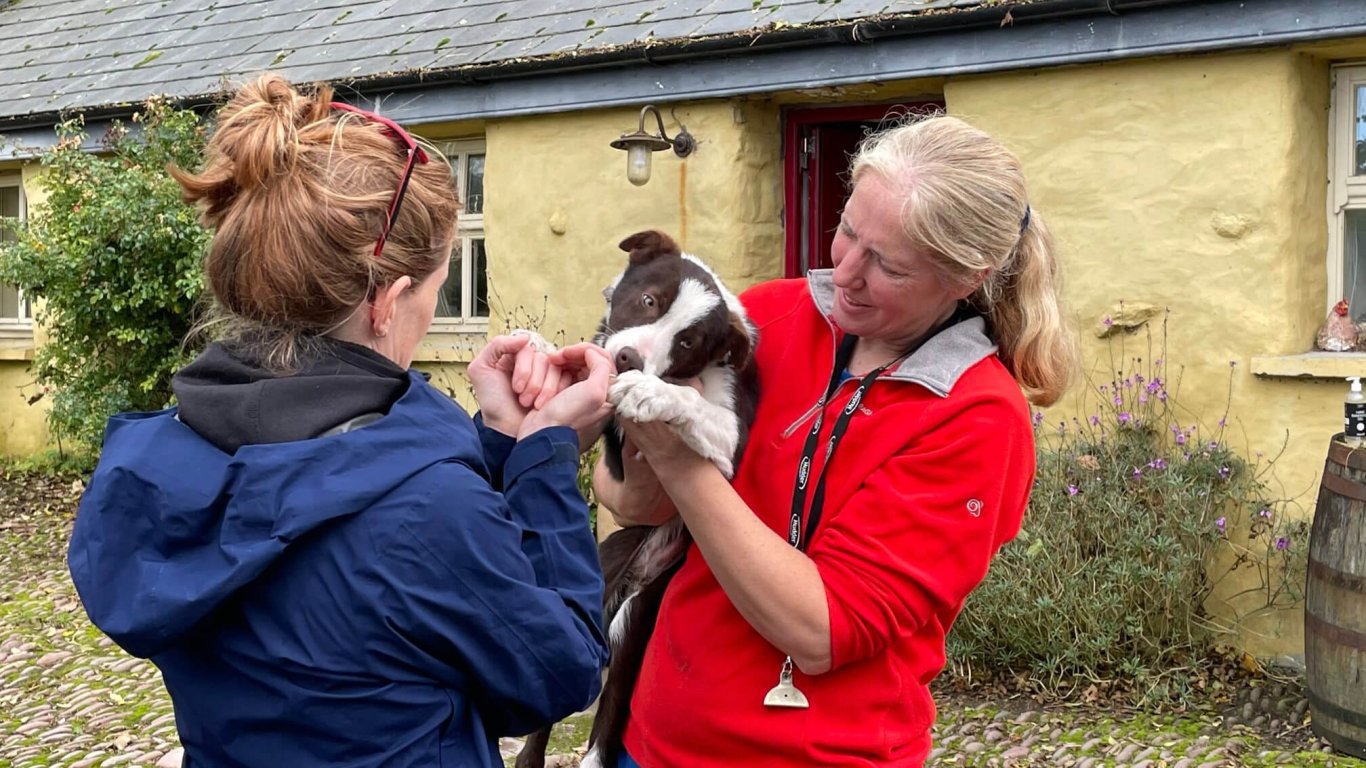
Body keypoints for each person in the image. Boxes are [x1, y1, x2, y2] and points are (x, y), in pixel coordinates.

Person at [66, 73, 612, 768]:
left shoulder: (158, 458)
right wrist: (546, 455)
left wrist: (498, 441)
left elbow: (363, 563)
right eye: (435, 296)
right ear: (388, 301)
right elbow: (556, 670)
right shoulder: (424, 513)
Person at [594, 114, 1078, 767]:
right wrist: (624, 418)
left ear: (967, 277)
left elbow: (819, 630)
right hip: (652, 740)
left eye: (887, 266)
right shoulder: (766, 317)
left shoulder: (977, 419)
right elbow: (634, 505)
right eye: (848, 230)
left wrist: (683, 462)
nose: (845, 270)